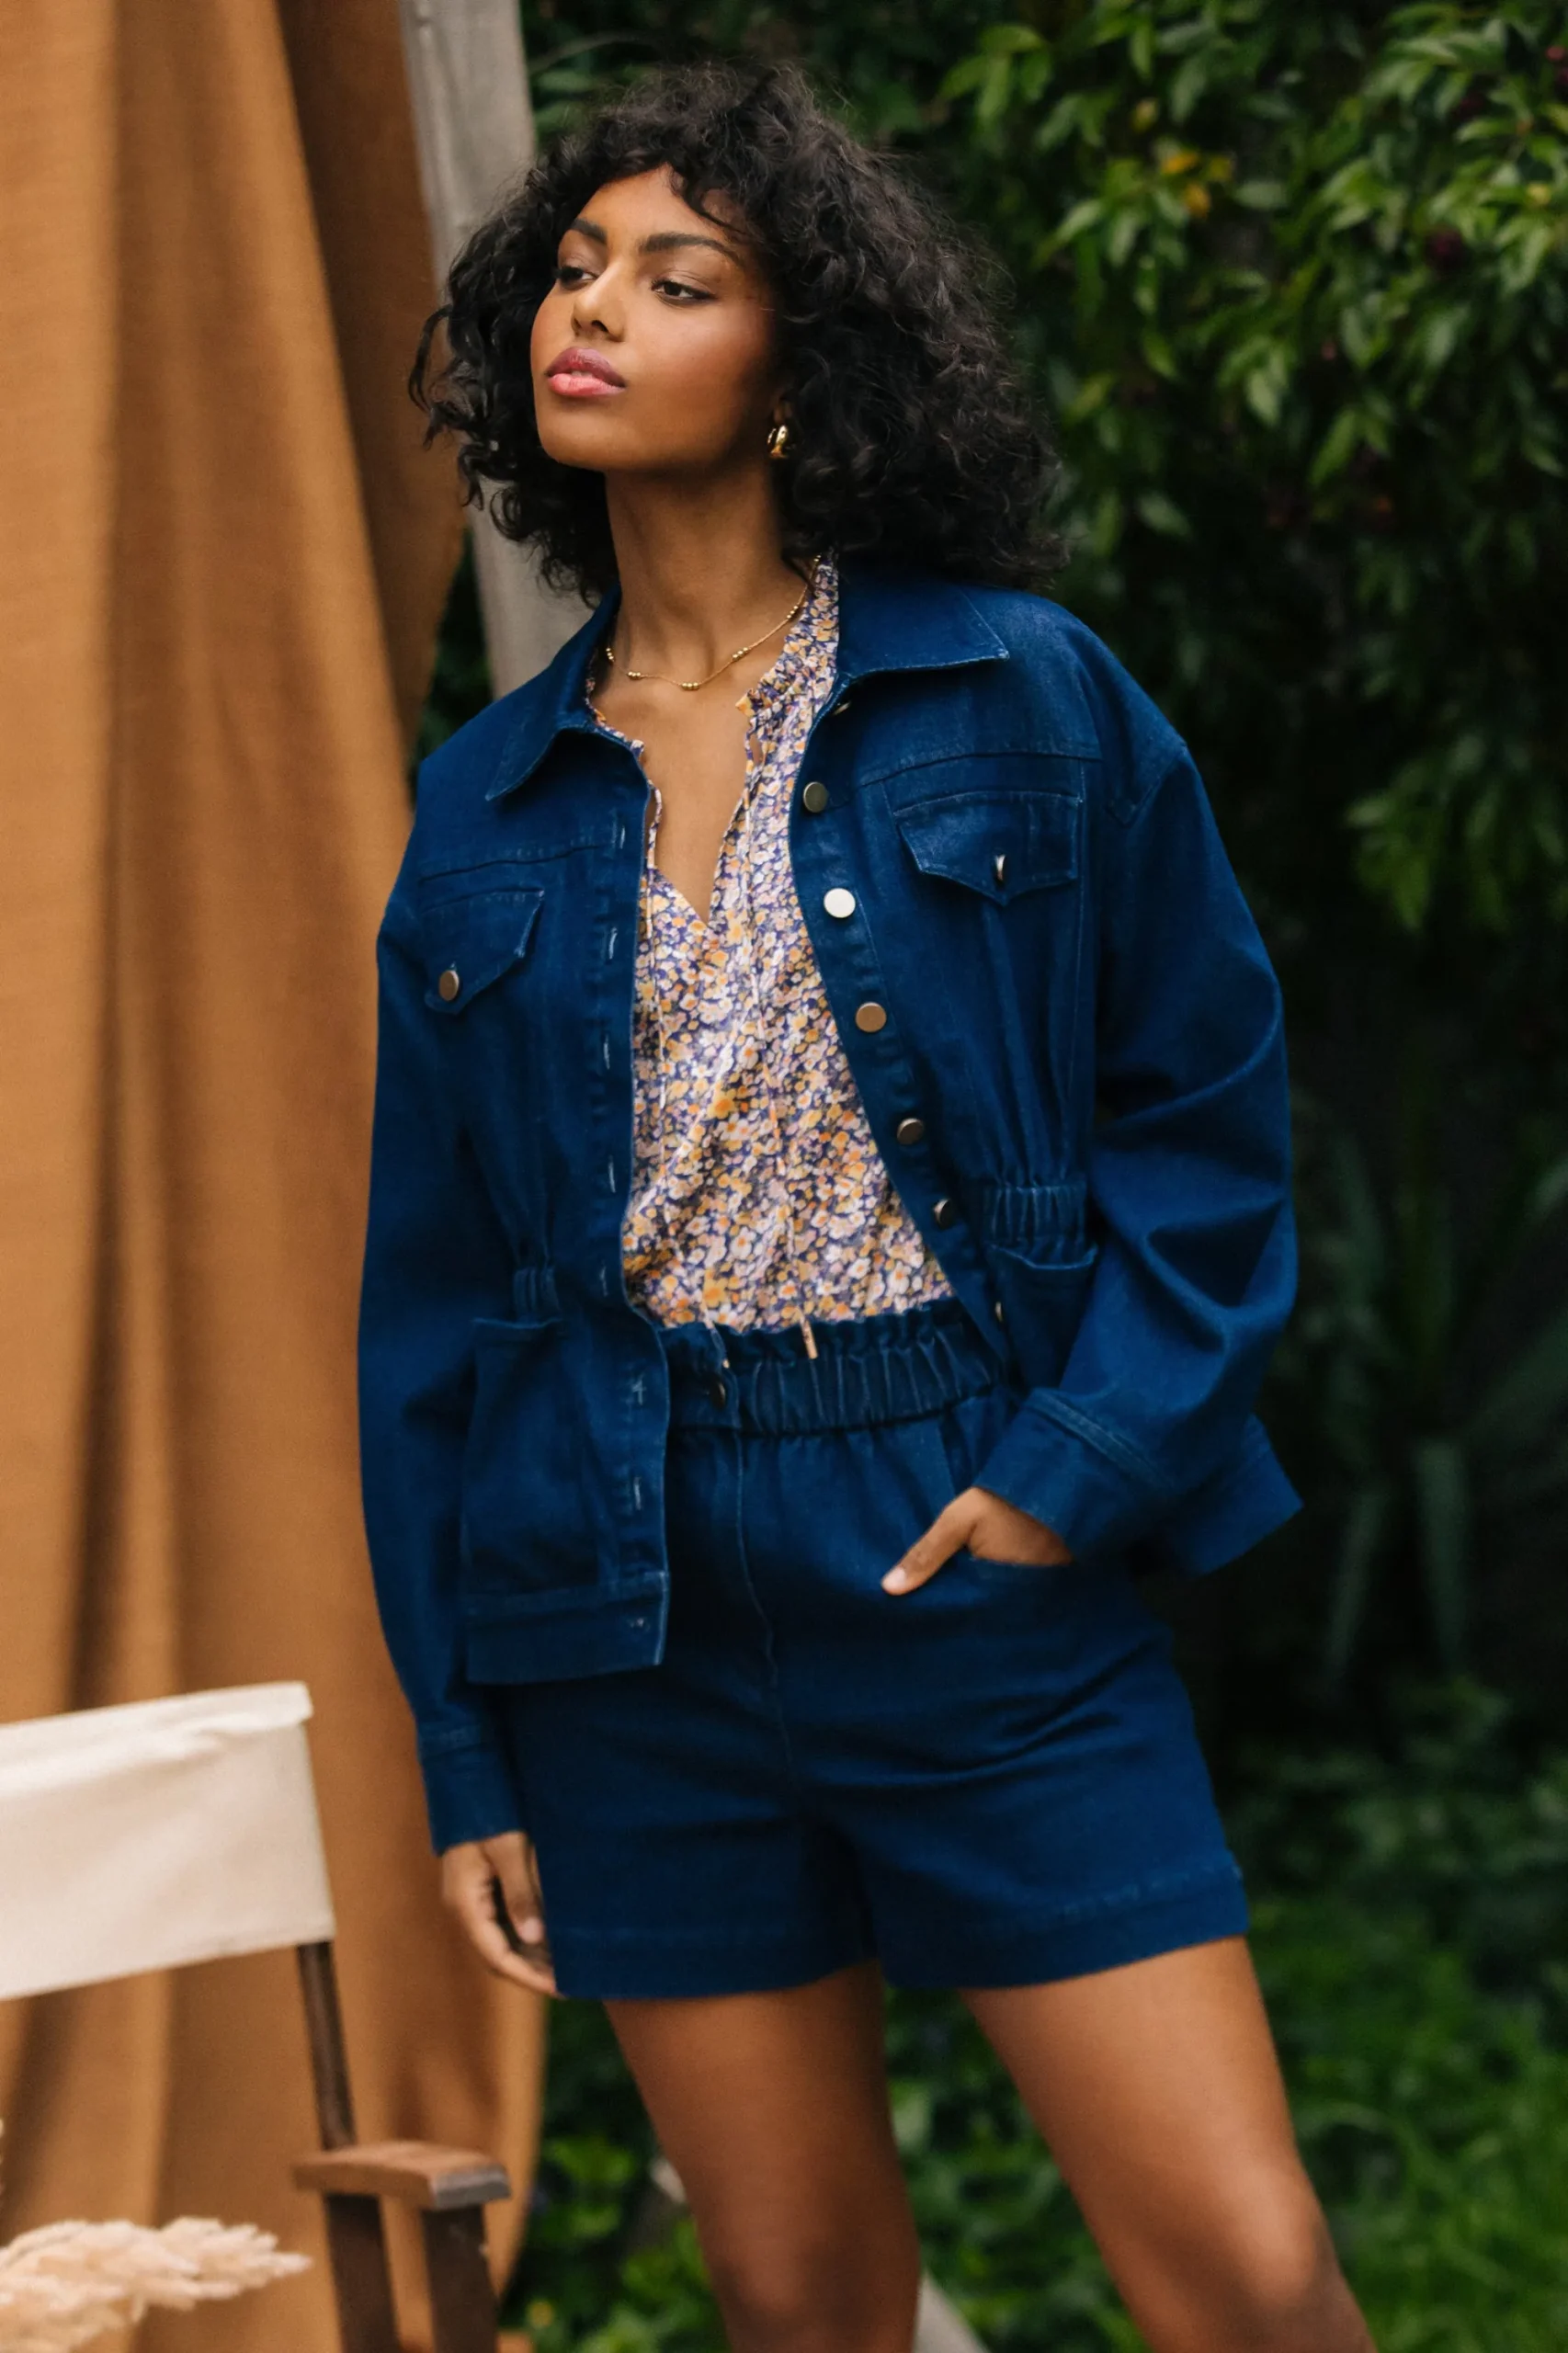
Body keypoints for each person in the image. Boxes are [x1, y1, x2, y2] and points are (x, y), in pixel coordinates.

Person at [361, 59, 1374, 2353]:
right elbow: (433, 1307)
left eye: (676, 279)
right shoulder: (484, 801)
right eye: (574, 270)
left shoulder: (1021, 696)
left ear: (800, 366)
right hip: (619, 1603)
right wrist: (464, 1738)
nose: (590, 309)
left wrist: (1072, 1468)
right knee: (800, 2293)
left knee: (1243, 2266)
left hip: (962, 1531)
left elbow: (1204, 1114)